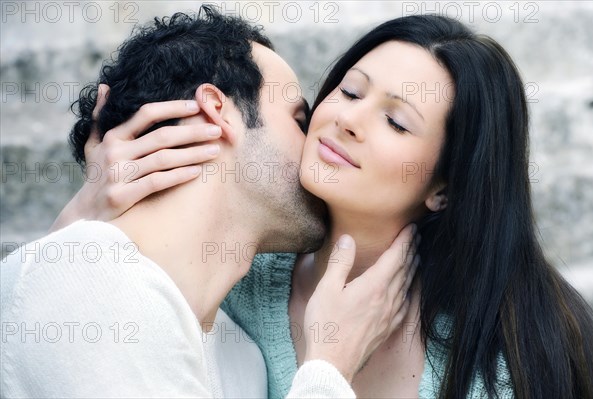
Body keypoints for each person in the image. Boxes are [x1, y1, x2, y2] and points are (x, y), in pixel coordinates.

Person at [50, 13, 593, 399]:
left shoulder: (517, 342)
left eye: (396, 121)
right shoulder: (234, 282)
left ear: (445, 188)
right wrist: (85, 215)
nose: (347, 119)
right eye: (351, 91)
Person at [0, 8, 419, 398]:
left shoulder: (242, 360)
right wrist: (329, 365)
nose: (319, 144)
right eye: (298, 121)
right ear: (217, 110)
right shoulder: (86, 281)